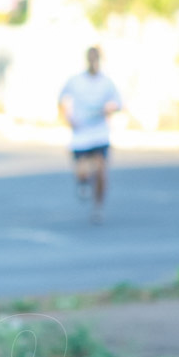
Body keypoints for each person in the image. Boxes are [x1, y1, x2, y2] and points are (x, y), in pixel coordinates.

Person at [58, 46, 122, 224]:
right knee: (82, 171)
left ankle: (98, 207)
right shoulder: (75, 81)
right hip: (81, 134)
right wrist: (68, 118)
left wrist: (110, 108)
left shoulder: (107, 82)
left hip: (100, 133)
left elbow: (119, 103)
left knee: (102, 171)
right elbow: (61, 99)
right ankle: (83, 183)